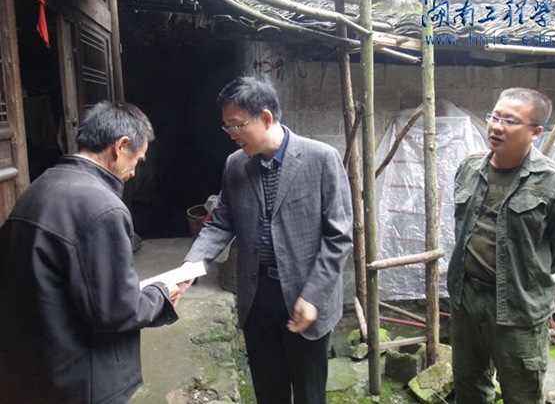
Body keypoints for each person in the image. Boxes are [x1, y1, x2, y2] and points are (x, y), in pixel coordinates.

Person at [0, 101, 192, 404]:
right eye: (137, 159)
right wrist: (161, 294)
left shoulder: (39, 187)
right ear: (121, 146)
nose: (134, 172)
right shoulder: (103, 207)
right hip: (80, 380)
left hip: (35, 366)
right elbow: (116, 311)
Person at [184, 75, 353, 404]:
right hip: (256, 296)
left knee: (309, 394)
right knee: (268, 391)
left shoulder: (321, 158)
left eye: (237, 125)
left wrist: (314, 295)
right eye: (227, 127)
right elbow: (220, 223)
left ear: (264, 117)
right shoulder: (236, 165)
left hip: (305, 296)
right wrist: (192, 265)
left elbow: (339, 236)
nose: (232, 135)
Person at [448, 88, 555, 404]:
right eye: (494, 117)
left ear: (535, 132)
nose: (497, 127)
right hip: (466, 299)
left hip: (519, 306)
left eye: (510, 121)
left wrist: (524, 272)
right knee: (468, 384)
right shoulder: (470, 168)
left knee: (522, 392)